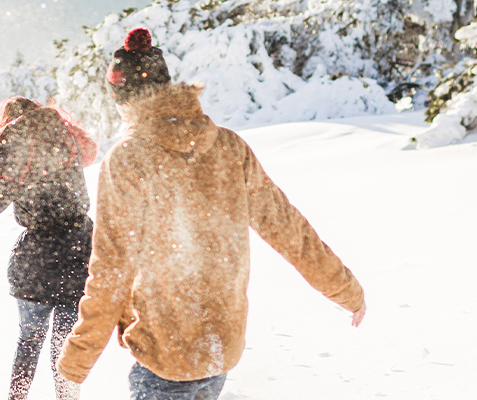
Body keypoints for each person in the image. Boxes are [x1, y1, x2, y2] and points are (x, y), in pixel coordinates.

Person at [55, 28, 367, 400]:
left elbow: (111, 267)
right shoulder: (229, 147)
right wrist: (347, 290)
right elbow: (289, 229)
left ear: (121, 98)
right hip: (219, 350)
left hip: (165, 356)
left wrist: (75, 362)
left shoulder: (128, 159)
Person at [0, 96, 98, 400]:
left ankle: (18, 397)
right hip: (80, 249)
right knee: (65, 347)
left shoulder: (16, 143)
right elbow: (90, 154)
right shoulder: (63, 135)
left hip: (37, 258)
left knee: (29, 342)